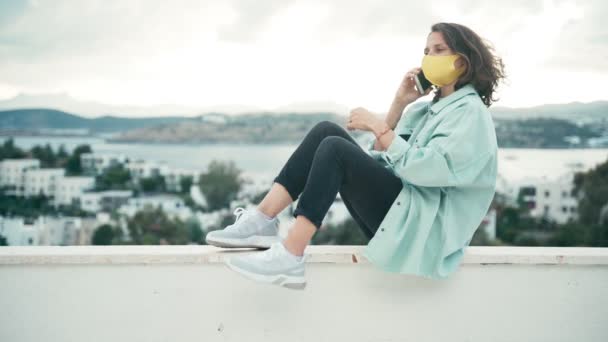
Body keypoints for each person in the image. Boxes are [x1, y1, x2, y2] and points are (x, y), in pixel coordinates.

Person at [206, 22, 506, 290]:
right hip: (404, 211)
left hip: (423, 229)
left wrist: (377, 126)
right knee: (326, 132)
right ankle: (262, 220)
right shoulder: (425, 110)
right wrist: (398, 105)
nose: (428, 58)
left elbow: (429, 170)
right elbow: (384, 161)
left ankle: (291, 254)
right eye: (426, 51)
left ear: (462, 62)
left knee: (335, 150)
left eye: (438, 50)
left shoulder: (470, 114)